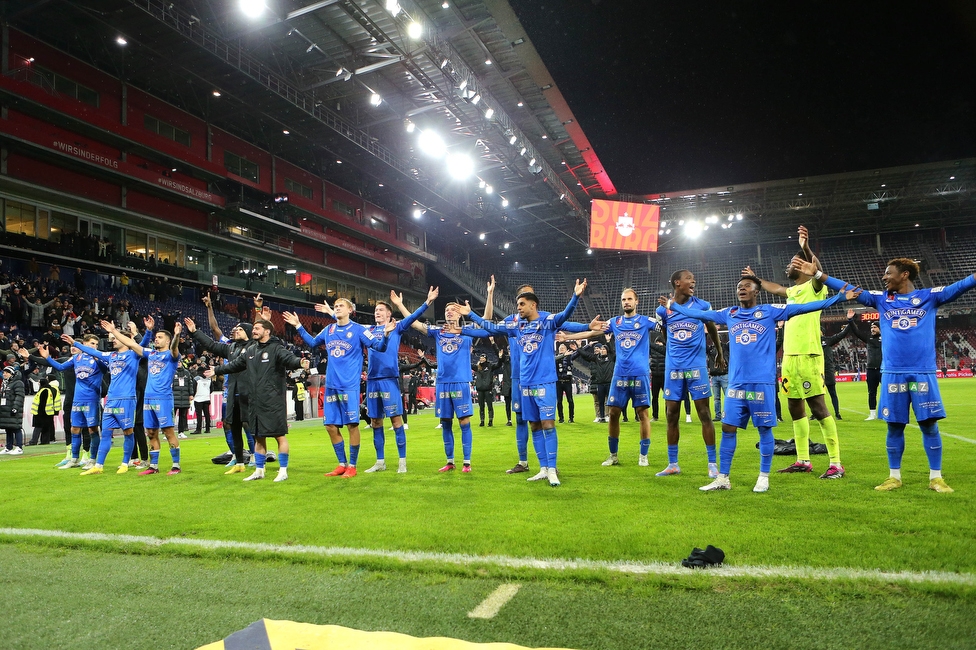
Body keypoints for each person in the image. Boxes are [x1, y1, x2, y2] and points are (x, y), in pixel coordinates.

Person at [790, 255, 976, 493]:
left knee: (929, 426)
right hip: (892, 374)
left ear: (904, 274)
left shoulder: (929, 297)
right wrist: (818, 275)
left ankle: (936, 478)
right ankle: (894, 477)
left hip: (922, 373)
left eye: (889, 273)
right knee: (894, 426)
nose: (884, 277)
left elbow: (961, 285)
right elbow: (850, 289)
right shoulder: (882, 300)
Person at [663, 275, 858, 493]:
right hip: (736, 385)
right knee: (728, 428)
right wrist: (673, 306)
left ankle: (763, 477)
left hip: (761, 384)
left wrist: (839, 299)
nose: (741, 289)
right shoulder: (730, 313)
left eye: (747, 286)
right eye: (739, 287)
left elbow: (805, 307)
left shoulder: (769, 311)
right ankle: (723, 478)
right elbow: (698, 314)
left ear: (757, 291)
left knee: (764, 429)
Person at [459, 279, 596, 486]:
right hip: (525, 384)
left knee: (548, 424)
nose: (518, 308)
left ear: (533, 304)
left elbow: (565, 318)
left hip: (545, 382)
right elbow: (491, 329)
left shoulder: (547, 321)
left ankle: (552, 469)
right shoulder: (516, 325)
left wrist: (576, 298)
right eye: (518, 304)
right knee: (533, 425)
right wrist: (467, 320)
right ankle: (542, 468)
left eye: (522, 304)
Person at [744, 225, 844, 480]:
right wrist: (756, 280)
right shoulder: (791, 292)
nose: (787, 267)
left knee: (818, 407)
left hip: (809, 354)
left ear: (802, 267)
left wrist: (806, 249)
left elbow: (819, 272)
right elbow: (774, 287)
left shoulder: (814, 287)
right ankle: (803, 459)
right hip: (789, 357)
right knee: (795, 407)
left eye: (791, 263)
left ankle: (836, 464)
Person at [284, 299, 395, 478]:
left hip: (349, 386)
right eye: (335, 306)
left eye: (341, 305)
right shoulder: (329, 330)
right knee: (330, 426)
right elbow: (312, 343)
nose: (337, 308)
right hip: (331, 386)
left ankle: (352, 465)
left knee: (352, 425)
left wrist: (387, 335)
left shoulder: (359, 330)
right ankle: (342, 463)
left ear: (350, 310)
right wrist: (298, 326)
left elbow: (379, 347)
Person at [208, 318, 309, 482]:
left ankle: (283, 470)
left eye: (257, 328)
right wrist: (217, 370)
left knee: (279, 436)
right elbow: (235, 365)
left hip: (273, 400)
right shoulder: (251, 350)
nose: (253, 330)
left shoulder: (276, 348)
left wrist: (299, 362)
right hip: (255, 401)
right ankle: (259, 470)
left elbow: (289, 359)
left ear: (267, 331)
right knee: (258, 436)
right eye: (253, 328)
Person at [357, 286, 437, 473]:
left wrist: (427, 302)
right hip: (372, 380)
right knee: (376, 422)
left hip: (389, 380)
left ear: (388, 314)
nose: (377, 312)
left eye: (380, 310)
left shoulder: (397, 327)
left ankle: (402, 461)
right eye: (375, 310)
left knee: (396, 420)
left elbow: (412, 317)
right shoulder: (367, 331)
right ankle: (380, 462)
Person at [656, 270, 725, 478]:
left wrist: (719, 353)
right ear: (677, 283)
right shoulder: (662, 310)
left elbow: (712, 328)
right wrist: (672, 353)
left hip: (696, 367)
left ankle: (712, 464)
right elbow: (664, 333)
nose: (693, 281)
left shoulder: (702, 305)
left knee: (704, 413)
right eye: (688, 278)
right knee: (671, 415)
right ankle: (673, 464)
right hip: (674, 368)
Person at [101, 319, 182, 475]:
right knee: (151, 432)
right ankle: (154, 466)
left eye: (159, 337)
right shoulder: (150, 354)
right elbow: (131, 344)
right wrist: (113, 331)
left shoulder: (171, 355)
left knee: (168, 432)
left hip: (163, 398)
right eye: (155, 337)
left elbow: (174, 348)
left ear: (167, 340)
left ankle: (176, 466)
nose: (156, 339)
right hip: (148, 399)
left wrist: (177, 336)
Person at [69, 319, 148, 476]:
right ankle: (99, 465)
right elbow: (94, 352)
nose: (112, 341)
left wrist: (143, 332)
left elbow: (143, 344)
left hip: (126, 399)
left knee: (128, 432)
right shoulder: (111, 355)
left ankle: (125, 463)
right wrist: (75, 343)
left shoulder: (133, 355)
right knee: (106, 433)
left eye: (116, 339)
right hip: (110, 400)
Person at [37, 334, 104, 469]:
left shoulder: (99, 359)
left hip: (92, 399)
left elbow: (105, 369)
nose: (94, 347)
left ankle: (92, 459)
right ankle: (74, 459)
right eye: (92, 344)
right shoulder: (76, 358)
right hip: (77, 399)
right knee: (75, 428)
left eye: (96, 344)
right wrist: (47, 358)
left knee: (92, 429)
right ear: (84, 344)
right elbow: (61, 367)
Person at [847, 312, 883, 420]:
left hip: (883, 369)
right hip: (871, 369)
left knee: (887, 391)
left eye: (875, 327)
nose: (872, 329)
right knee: (872, 392)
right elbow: (857, 332)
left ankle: (887, 411)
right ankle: (872, 414)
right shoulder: (868, 338)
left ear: (880, 328)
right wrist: (850, 320)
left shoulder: (887, 338)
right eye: (871, 327)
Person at [0, 365, 25, 455]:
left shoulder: (18, 383)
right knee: (8, 428)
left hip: (13, 409)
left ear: (11, 374)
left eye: (6, 372)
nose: (4, 374)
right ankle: (8, 447)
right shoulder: (5, 383)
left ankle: (19, 447)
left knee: (16, 428)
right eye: (4, 372)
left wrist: (15, 407)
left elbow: (19, 396)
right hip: (5, 409)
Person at [473, 352, 501, 427]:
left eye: (483, 358)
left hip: (488, 389)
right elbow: (469, 365)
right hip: (480, 389)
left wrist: (500, 358)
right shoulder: (477, 367)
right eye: (480, 358)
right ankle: (482, 421)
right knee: (481, 406)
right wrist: (468, 354)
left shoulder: (490, 366)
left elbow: (498, 365)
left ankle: (490, 421)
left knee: (489, 406)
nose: (481, 359)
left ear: (486, 359)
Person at [708, 332, 730, 422]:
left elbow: (731, 342)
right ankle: (718, 416)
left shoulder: (725, 347)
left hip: (724, 374)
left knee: (728, 397)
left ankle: (728, 415)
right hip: (714, 376)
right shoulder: (710, 349)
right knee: (716, 398)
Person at [554, 344, 576, 424]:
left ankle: (571, 418)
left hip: (567, 381)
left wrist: (580, 347)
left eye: (563, 348)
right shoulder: (556, 358)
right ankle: (561, 418)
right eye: (560, 348)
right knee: (559, 401)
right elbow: (552, 360)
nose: (561, 349)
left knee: (570, 400)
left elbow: (578, 353)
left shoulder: (570, 357)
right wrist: (563, 355)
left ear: (566, 349)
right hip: (559, 382)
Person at [173, 363, 193, 438]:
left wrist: (191, 394)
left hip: (184, 397)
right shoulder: (172, 371)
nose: (178, 363)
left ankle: (181, 432)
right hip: (174, 397)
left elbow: (190, 384)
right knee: (172, 416)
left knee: (182, 416)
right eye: (177, 362)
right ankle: (169, 432)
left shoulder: (187, 373)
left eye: (179, 362)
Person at [192, 364, 212, 434]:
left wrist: (193, 395)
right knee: (207, 414)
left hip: (198, 399)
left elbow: (193, 389)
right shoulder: (209, 379)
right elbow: (211, 389)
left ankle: (198, 429)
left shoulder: (196, 379)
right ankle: (208, 428)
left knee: (199, 415)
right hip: (206, 398)